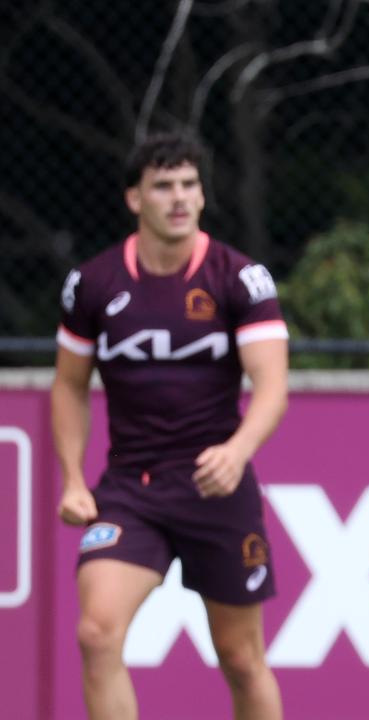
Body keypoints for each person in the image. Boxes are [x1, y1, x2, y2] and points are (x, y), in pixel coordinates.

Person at [51, 133, 289, 720]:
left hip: (218, 491)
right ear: (135, 199)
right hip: (132, 490)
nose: (179, 198)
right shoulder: (94, 284)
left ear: (202, 195)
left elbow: (272, 387)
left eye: (189, 184)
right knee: (95, 633)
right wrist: (73, 480)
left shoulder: (239, 277)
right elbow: (69, 386)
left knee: (240, 658)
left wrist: (237, 451)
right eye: (163, 186)